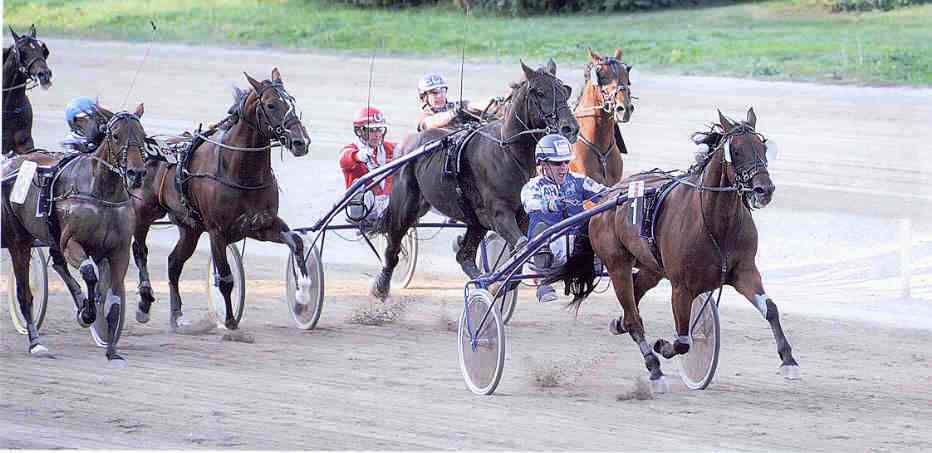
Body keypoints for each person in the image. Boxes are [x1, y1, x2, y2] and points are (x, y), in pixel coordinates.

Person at [520, 134, 607, 303]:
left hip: (577, 247)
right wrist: (551, 204)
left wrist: (623, 192)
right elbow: (530, 204)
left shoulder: (579, 181)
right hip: (548, 250)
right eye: (557, 163)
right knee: (541, 227)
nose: (563, 167)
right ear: (542, 164)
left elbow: (605, 193)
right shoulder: (532, 186)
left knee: (597, 221)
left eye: (566, 162)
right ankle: (543, 282)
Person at [339, 106, 397, 227]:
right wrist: (358, 156)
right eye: (372, 130)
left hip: (388, 204)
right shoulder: (352, 149)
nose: (377, 135)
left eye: (379, 129)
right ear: (359, 131)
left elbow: (406, 148)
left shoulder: (390, 148)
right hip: (365, 210)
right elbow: (344, 159)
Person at [416, 72, 501, 132]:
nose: (440, 95)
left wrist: (495, 104)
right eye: (434, 93)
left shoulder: (458, 106)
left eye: (443, 91)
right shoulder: (424, 117)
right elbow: (434, 122)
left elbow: (474, 105)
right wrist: (454, 112)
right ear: (424, 97)